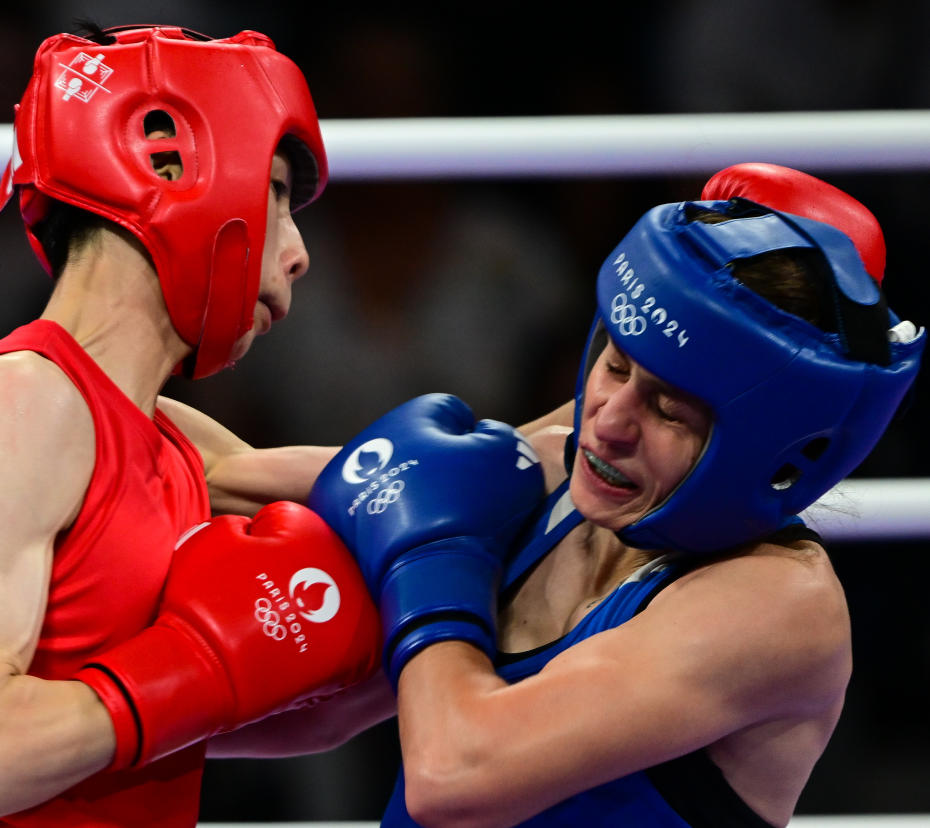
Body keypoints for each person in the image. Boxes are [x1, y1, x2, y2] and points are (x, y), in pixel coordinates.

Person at [0, 23, 385, 827]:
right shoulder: (21, 408)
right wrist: (197, 666)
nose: (300, 251)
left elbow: (392, 484)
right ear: (169, 167)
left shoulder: (163, 437)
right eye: (276, 192)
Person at [306, 163, 924, 827]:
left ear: (762, 446)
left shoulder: (777, 604)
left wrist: (430, 558)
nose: (607, 420)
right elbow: (247, 474)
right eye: (616, 364)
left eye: (667, 408)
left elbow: (453, 775)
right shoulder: (584, 465)